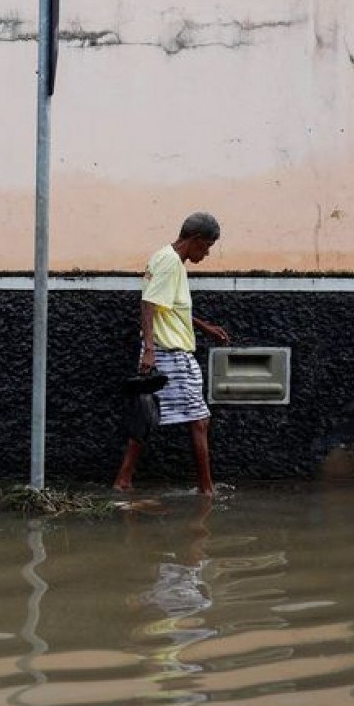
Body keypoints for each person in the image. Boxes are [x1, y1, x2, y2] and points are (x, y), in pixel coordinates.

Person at [114, 212, 232, 495]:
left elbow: (168, 306)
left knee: (149, 416)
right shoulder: (169, 261)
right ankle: (207, 490)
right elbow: (148, 304)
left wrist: (203, 326)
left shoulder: (167, 258)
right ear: (195, 240)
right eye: (206, 248)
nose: (206, 254)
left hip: (167, 349)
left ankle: (123, 480)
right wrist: (150, 352)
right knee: (199, 420)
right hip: (170, 352)